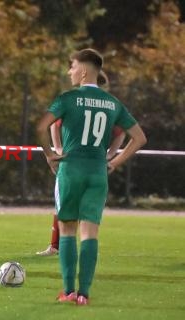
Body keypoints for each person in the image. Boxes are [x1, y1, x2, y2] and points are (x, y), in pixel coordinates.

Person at [36, 48, 146, 305]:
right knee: (90, 233)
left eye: (72, 66)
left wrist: (50, 154)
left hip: (71, 170)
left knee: (67, 231)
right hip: (98, 172)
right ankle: (84, 293)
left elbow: (42, 126)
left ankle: (68, 291)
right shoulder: (113, 103)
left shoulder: (67, 98)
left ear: (84, 70)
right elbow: (139, 138)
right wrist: (114, 162)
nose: (70, 71)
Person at [36, 119, 126, 256]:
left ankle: (64, 249)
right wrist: (59, 148)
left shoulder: (78, 103)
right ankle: (60, 247)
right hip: (85, 165)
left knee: (74, 207)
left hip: (81, 166)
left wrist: (110, 155)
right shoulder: (99, 105)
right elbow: (55, 124)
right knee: (68, 205)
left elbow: (122, 133)